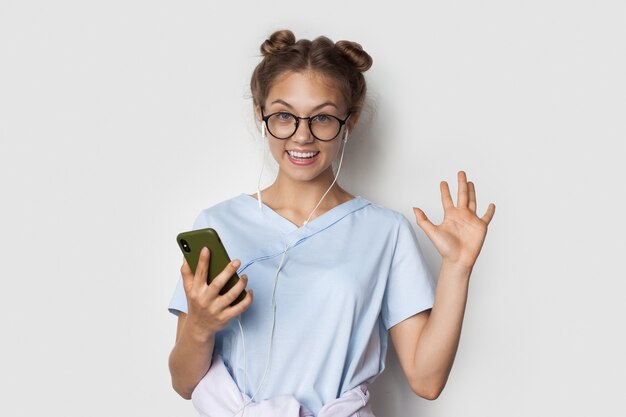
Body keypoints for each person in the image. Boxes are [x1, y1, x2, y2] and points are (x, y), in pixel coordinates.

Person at [167, 29, 496, 417]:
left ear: (350, 121)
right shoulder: (218, 224)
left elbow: (426, 380)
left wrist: (457, 269)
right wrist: (200, 326)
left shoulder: (385, 232)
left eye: (322, 117)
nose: (302, 136)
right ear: (261, 115)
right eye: (284, 116)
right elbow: (184, 383)